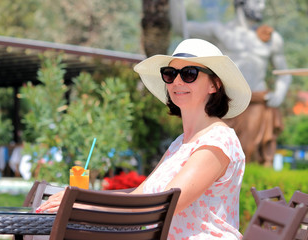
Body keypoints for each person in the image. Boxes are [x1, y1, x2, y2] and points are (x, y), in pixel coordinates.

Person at [37, 38, 251, 239]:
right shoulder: (181, 143)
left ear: (214, 85)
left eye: (189, 73)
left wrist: (82, 204)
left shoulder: (218, 140)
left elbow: (162, 205)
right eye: (170, 73)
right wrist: (82, 199)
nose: (177, 81)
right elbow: (140, 196)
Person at [169, 0, 292, 166]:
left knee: (251, 154)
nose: (262, 6)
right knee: (221, 153)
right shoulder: (220, 31)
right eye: (257, 1)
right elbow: (179, 26)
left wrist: (280, 92)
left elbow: (284, 74)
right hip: (227, 103)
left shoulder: (272, 39)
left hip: (257, 103)